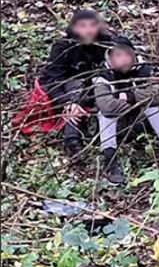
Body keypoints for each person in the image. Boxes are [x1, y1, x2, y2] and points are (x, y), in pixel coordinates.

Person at [92, 37, 159, 184]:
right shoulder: (103, 75)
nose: (124, 59)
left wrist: (130, 97)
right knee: (105, 114)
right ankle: (110, 161)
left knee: (152, 106)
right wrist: (139, 99)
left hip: (141, 120)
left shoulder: (144, 69)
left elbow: (156, 95)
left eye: (127, 54)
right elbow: (106, 105)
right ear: (110, 57)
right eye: (118, 55)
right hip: (118, 122)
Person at [41, 10, 118, 159]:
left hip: (98, 87)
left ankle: (99, 132)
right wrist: (66, 102)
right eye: (83, 26)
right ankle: (72, 140)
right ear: (74, 28)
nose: (88, 30)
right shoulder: (63, 47)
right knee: (76, 90)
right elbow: (53, 79)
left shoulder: (106, 43)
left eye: (93, 25)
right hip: (70, 90)